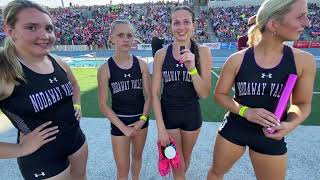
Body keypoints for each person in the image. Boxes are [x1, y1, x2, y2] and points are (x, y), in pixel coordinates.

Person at [207, 0, 316, 179]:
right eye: (300, 16)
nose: (307, 23)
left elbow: (302, 104)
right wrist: (245, 111)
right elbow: (219, 95)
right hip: (236, 127)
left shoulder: (303, 61)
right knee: (216, 173)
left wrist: (289, 125)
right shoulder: (237, 60)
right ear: (273, 24)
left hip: (271, 133)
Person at [0, 0, 88, 179]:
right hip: (42, 157)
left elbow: (75, 85)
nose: (45, 35)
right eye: (32, 27)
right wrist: (20, 148)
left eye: (49, 28)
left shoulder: (57, 61)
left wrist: (77, 105)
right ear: (10, 31)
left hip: (77, 141)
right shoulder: (5, 72)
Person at [152, 6, 212, 179]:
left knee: (185, 160)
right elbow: (155, 93)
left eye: (186, 22)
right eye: (176, 22)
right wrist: (161, 129)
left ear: (194, 25)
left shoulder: (203, 52)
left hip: (192, 115)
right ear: (171, 26)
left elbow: (204, 93)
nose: (181, 27)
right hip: (169, 115)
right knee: (177, 166)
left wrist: (192, 69)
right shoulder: (161, 54)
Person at [97, 20, 151, 180]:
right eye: (120, 35)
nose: (125, 39)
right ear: (112, 38)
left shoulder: (141, 65)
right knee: (122, 170)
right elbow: (103, 105)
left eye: (129, 35)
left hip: (141, 121)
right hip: (119, 123)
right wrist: (123, 128)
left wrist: (142, 120)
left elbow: (149, 96)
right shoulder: (105, 69)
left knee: (137, 157)